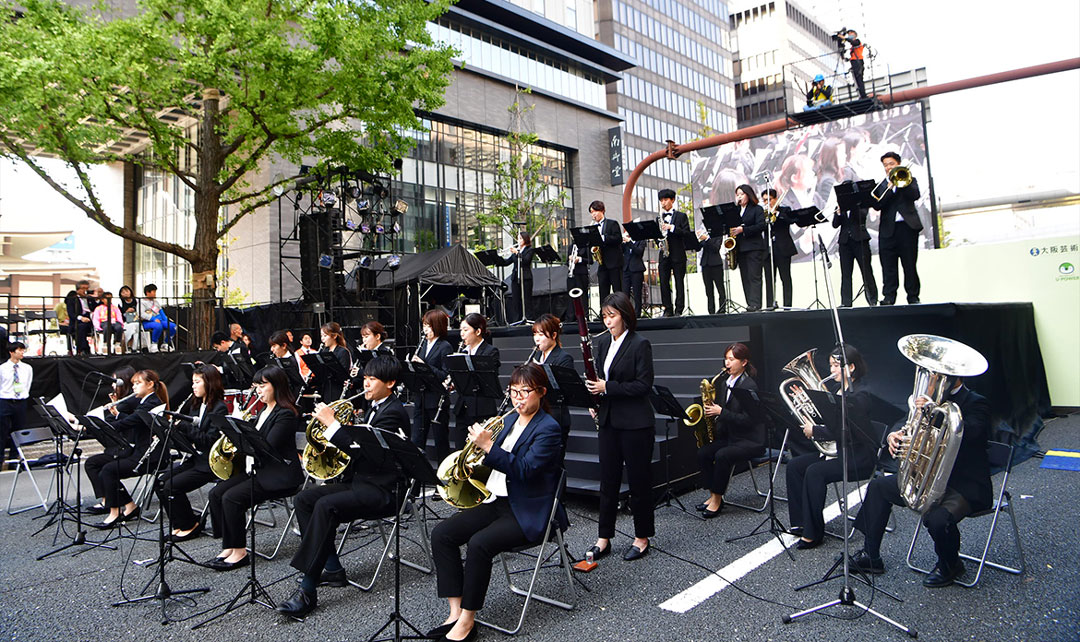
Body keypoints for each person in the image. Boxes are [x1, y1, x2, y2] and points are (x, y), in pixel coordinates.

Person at [427, 363, 565, 642]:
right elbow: (492, 459)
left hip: (528, 510)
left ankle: (467, 621)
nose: (518, 398)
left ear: (541, 392)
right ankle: (455, 612)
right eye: (514, 391)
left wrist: (489, 446)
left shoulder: (549, 428)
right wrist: (478, 447)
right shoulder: (510, 420)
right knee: (442, 534)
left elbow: (525, 470)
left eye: (525, 392)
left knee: (479, 544)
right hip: (497, 501)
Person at [277, 355, 411, 617]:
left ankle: (308, 588)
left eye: (373, 380)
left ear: (391, 383)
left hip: (384, 490)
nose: (367, 385)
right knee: (304, 500)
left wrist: (334, 425)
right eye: (366, 379)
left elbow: (366, 454)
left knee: (326, 506)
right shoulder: (373, 407)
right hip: (361, 482)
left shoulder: (393, 412)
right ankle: (333, 568)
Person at [851, 377, 992, 588]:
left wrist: (933, 414)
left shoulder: (975, 401)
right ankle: (871, 556)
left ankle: (950, 564)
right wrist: (894, 434)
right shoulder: (929, 400)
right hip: (928, 478)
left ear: (958, 376)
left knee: (937, 518)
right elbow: (907, 421)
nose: (935, 379)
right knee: (878, 487)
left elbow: (973, 435)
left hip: (963, 484)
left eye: (942, 375)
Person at [205, 366, 304, 571]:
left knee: (232, 498)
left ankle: (239, 552)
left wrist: (242, 431)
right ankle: (229, 545)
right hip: (259, 470)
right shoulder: (262, 411)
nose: (258, 390)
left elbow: (268, 447)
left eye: (263, 385)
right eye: (256, 385)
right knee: (216, 493)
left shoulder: (286, 413)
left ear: (276, 386)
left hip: (279, 475)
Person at [584, 292, 655, 561]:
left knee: (639, 481)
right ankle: (604, 538)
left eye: (612, 316)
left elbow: (643, 385)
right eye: (604, 316)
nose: (607, 321)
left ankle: (642, 537)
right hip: (609, 419)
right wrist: (594, 399)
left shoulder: (640, 344)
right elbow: (598, 378)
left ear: (625, 316)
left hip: (636, 423)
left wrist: (608, 388)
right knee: (608, 480)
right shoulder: (602, 344)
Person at [786, 344, 878, 548]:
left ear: (851, 367)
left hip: (858, 456)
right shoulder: (838, 389)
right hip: (840, 451)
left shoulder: (860, 396)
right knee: (794, 466)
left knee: (815, 472)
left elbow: (849, 431)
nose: (832, 370)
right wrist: (804, 400)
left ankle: (813, 533)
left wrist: (816, 431)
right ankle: (801, 524)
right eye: (831, 365)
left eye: (837, 365)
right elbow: (830, 421)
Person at [86, 370, 169, 528]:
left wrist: (97, 426)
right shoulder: (145, 402)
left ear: (150, 384)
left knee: (109, 470)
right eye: (133, 384)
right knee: (98, 464)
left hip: (151, 456)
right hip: (139, 451)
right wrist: (116, 414)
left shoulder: (151, 403)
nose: (134, 388)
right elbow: (134, 421)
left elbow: (130, 422)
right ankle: (129, 506)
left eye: (138, 384)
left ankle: (114, 513)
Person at [154, 365, 228, 541]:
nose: (193, 386)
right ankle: (181, 522)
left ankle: (190, 526)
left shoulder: (219, 408)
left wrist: (185, 426)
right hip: (195, 458)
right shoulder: (196, 406)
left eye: (197, 382)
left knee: (173, 485)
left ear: (209, 383)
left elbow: (210, 441)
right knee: (160, 481)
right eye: (193, 382)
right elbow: (191, 437)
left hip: (209, 462)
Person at [694, 342, 764, 517]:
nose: (727, 363)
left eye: (732, 359)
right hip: (732, 436)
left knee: (722, 455)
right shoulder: (725, 382)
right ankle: (713, 494)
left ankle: (717, 499)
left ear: (744, 362)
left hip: (749, 439)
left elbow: (751, 420)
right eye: (726, 359)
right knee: (703, 452)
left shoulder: (749, 386)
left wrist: (721, 412)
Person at [870, 152, 922, 305]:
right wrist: (890, 189)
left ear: (898, 164)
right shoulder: (881, 186)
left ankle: (913, 297)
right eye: (885, 165)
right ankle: (889, 297)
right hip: (888, 230)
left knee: (909, 264)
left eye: (891, 164)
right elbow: (877, 205)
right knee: (888, 265)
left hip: (907, 228)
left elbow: (915, 195)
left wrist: (900, 184)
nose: (888, 167)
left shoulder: (909, 179)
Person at [452, 313, 501, 451]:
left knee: (478, 451)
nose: (462, 334)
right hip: (463, 407)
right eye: (461, 330)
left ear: (478, 331)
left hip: (482, 408)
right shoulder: (462, 351)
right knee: (460, 448)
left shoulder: (490, 351)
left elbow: (488, 378)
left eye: (465, 330)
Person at [411, 309, 454, 461]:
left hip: (436, 400)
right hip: (421, 397)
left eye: (429, 325)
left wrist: (424, 366)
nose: (425, 329)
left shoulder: (445, 346)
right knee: (416, 440)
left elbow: (445, 373)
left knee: (440, 440)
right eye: (424, 325)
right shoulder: (423, 345)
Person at [833, 183, 879, 306]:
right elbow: (835, 224)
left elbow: (862, 216)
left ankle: (872, 299)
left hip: (860, 240)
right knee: (846, 274)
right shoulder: (840, 205)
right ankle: (846, 302)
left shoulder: (860, 203)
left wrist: (853, 204)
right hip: (844, 242)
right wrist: (838, 212)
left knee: (866, 271)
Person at [530, 313, 574, 441]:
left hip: (556, 415)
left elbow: (565, 391)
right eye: (535, 334)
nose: (536, 339)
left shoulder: (563, 358)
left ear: (554, 335)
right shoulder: (537, 357)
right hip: (539, 414)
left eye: (541, 334)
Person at [730, 184, 768, 311]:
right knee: (745, 276)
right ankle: (749, 303)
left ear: (748, 194)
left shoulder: (757, 209)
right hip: (740, 248)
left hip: (754, 247)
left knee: (754, 276)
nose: (739, 197)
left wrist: (743, 229)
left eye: (742, 194)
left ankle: (756, 303)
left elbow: (761, 226)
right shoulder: (735, 211)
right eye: (737, 194)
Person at [657, 189, 693, 316]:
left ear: (672, 200)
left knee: (679, 282)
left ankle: (679, 309)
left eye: (666, 200)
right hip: (664, 254)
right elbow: (657, 236)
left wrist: (671, 228)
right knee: (663, 282)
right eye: (661, 200)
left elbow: (687, 233)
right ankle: (667, 308)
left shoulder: (681, 216)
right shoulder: (659, 218)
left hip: (678, 253)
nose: (663, 203)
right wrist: (659, 242)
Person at [0, 342, 33, 468]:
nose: (22, 353)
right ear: (11, 352)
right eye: (19, 350)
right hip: (5, 401)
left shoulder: (27, 368)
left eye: (23, 350)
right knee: (2, 431)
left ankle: (14, 459)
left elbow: (28, 384)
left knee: (18, 430)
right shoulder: (2, 368)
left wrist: (22, 395)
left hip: (20, 401)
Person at [493, 231, 536, 323]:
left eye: (521, 238)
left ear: (525, 239)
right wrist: (496, 258)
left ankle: (529, 318)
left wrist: (517, 253)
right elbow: (507, 262)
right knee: (516, 299)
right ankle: (518, 319)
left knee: (526, 299)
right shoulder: (518, 251)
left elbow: (525, 261)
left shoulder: (530, 250)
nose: (519, 240)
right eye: (518, 238)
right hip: (515, 277)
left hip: (525, 277)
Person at [764, 189, 797, 308]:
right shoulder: (763, 213)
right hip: (768, 250)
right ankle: (769, 305)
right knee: (769, 279)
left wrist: (776, 214)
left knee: (785, 277)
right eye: (764, 200)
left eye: (769, 200)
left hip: (782, 248)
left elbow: (791, 220)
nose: (767, 203)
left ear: (775, 199)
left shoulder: (785, 210)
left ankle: (787, 305)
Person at [589, 201, 625, 303]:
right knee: (603, 291)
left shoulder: (612, 223)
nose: (593, 214)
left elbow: (618, 239)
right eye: (591, 212)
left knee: (617, 290)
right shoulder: (593, 227)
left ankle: (620, 311)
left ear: (602, 211)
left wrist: (603, 238)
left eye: (595, 211)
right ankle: (603, 313)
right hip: (602, 264)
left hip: (614, 262)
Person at [697, 222, 727, 315]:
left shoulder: (718, 233)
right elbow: (698, 247)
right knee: (708, 290)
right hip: (705, 264)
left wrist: (707, 239)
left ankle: (722, 309)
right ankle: (711, 311)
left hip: (716, 263)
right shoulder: (704, 235)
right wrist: (697, 238)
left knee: (720, 288)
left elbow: (716, 248)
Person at [317, 322, 353, 402]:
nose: (322, 339)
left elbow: (343, 374)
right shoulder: (324, 351)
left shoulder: (343, 352)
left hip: (338, 390)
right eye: (321, 336)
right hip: (327, 390)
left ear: (334, 336)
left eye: (325, 336)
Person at [268, 330, 306, 399]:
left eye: (274, 346)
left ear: (284, 346)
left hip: (293, 395)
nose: (272, 349)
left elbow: (299, 379)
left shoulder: (294, 358)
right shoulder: (275, 360)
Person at [565, 234, 593, 324]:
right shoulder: (571, 247)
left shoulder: (585, 246)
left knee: (582, 295)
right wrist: (570, 260)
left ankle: (584, 316)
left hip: (582, 273)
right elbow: (566, 262)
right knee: (570, 295)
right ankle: (571, 317)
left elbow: (590, 260)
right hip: (572, 273)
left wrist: (579, 259)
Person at [140, 284, 176, 351]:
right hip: (148, 322)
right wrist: (153, 319)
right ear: (148, 292)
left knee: (172, 326)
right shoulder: (142, 302)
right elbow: (141, 314)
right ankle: (154, 344)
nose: (155, 294)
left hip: (160, 321)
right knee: (158, 326)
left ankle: (165, 344)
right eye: (153, 292)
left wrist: (166, 321)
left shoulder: (156, 302)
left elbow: (161, 312)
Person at [65, 279, 95, 355]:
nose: (85, 291)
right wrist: (81, 318)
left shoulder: (89, 299)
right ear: (78, 290)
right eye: (83, 288)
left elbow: (95, 308)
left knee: (84, 327)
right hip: (77, 321)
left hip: (90, 320)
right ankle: (83, 349)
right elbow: (71, 313)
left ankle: (85, 348)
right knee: (81, 327)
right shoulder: (72, 299)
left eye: (87, 288)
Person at [622, 229, 647, 316]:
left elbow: (639, 252)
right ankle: (625, 313)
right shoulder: (625, 242)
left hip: (637, 269)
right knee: (625, 293)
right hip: (626, 269)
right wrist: (622, 242)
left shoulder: (641, 241)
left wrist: (630, 242)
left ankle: (637, 313)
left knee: (637, 293)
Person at [843, 30, 867, 99]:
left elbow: (853, 42)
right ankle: (861, 95)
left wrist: (844, 38)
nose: (849, 35)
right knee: (857, 80)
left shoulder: (857, 41)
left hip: (858, 61)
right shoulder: (852, 46)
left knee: (859, 79)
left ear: (855, 35)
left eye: (851, 33)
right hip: (854, 62)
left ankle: (863, 95)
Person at [117, 285, 141, 351]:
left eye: (126, 291)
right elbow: (119, 314)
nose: (125, 293)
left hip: (136, 320)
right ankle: (127, 345)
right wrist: (126, 312)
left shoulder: (136, 301)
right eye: (123, 292)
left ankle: (135, 346)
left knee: (137, 327)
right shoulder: (120, 303)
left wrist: (134, 309)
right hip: (125, 321)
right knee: (130, 328)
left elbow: (140, 310)